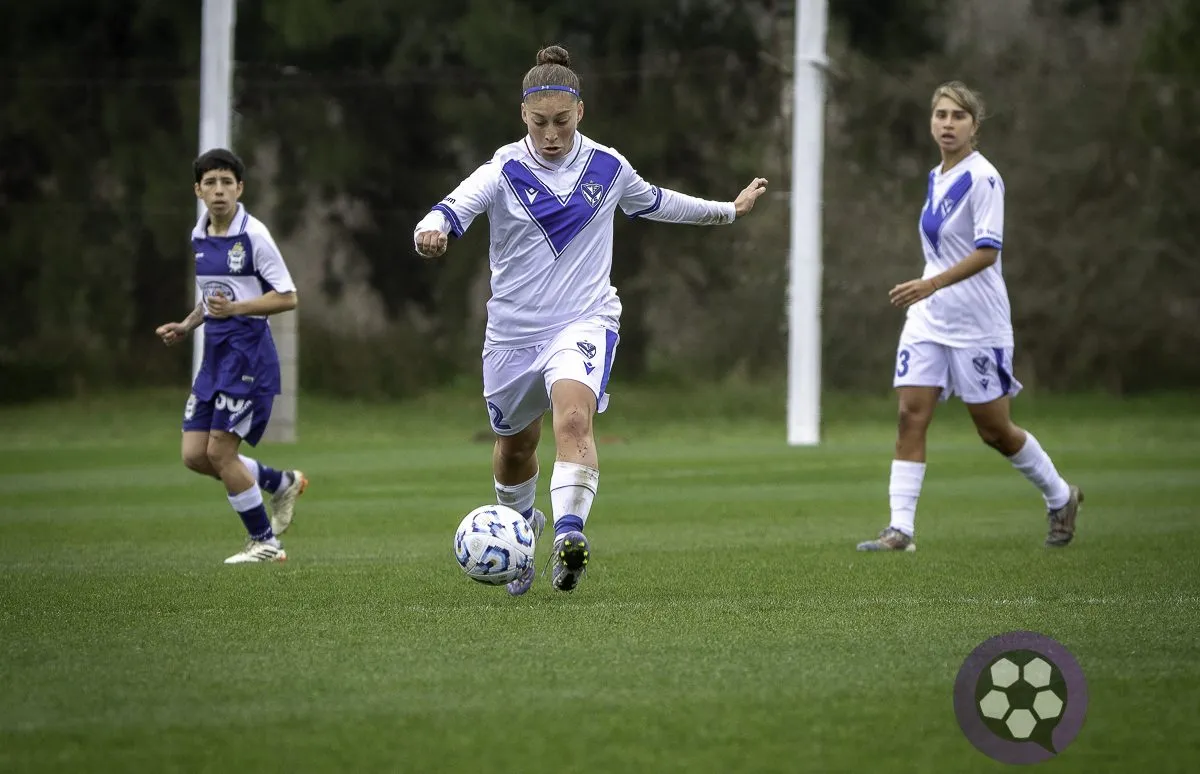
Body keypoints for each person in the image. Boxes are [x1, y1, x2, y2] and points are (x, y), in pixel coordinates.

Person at [414, 45, 769, 594]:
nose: (550, 134)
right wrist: (430, 230)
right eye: (538, 123)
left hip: (584, 319)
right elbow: (452, 207)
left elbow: (659, 201)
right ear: (522, 117)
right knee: (515, 447)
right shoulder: (504, 168)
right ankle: (523, 534)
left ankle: (568, 536)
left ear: (580, 112)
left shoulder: (608, 166)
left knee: (574, 422)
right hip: (512, 333)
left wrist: (729, 210)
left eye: (560, 121)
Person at [857, 81, 1082, 553]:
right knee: (909, 416)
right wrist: (929, 290)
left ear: (974, 126)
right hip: (929, 319)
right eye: (940, 115)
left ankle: (1061, 496)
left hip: (978, 323)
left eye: (958, 116)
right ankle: (900, 530)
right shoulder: (935, 175)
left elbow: (987, 251)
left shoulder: (985, 179)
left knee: (994, 430)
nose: (947, 124)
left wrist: (932, 283)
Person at [156, 148, 309, 564]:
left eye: (227, 182)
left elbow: (288, 297)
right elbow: (213, 297)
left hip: (247, 357)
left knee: (220, 453)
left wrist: (237, 309)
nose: (219, 190)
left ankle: (266, 543)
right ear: (198, 190)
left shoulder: (254, 236)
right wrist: (187, 325)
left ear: (239, 188)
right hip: (214, 356)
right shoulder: (199, 234)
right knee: (194, 455)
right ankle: (280, 482)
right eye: (211, 183)